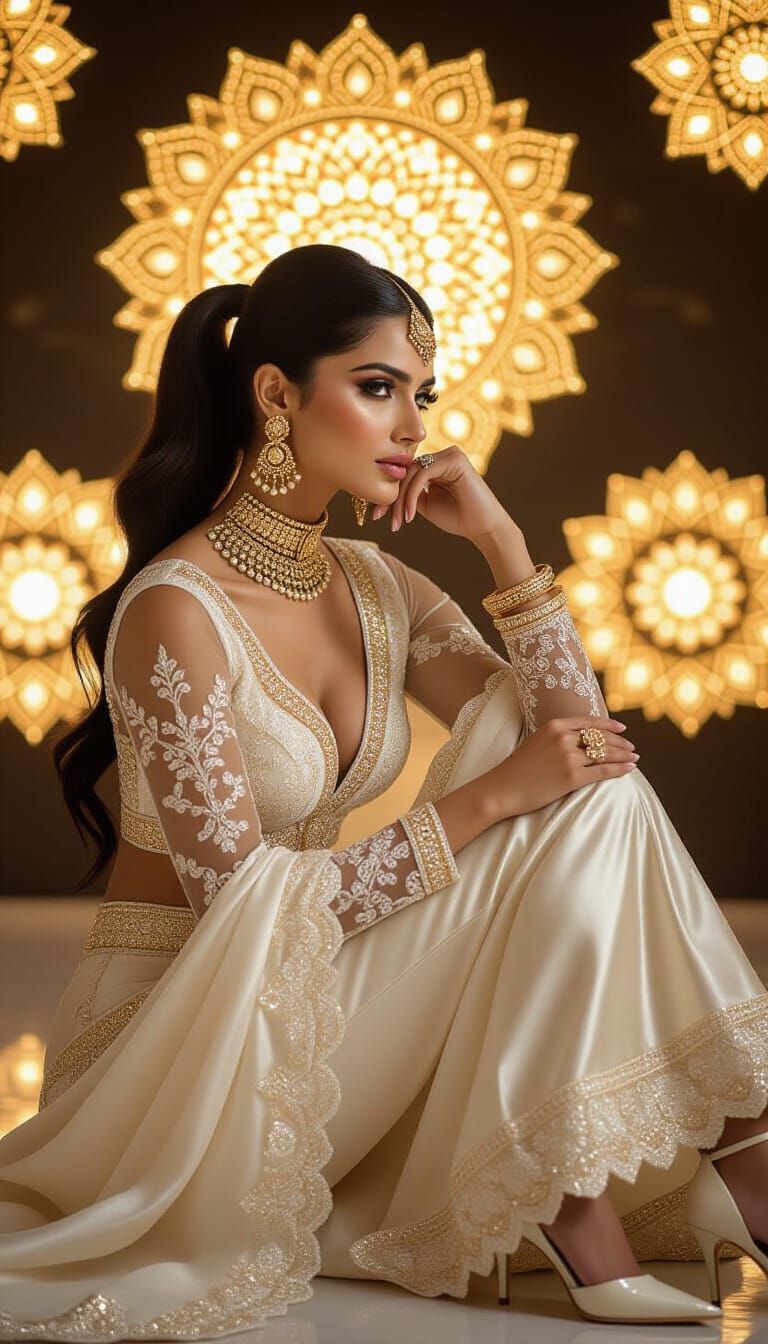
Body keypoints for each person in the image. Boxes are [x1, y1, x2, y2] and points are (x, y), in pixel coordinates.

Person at [0, 243, 766, 1338]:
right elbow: (235, 917)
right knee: (548, 788)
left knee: (587, 788)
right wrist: (492, 799)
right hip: (176, 1043)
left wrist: (502, 544)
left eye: (424, 394)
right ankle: (711, 1169)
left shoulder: (375, 586)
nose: (414, 428)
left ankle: (633, 1183)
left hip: (310, 987)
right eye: (376, 389)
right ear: (276, 395)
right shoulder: (176, 610)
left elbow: (577, 741)